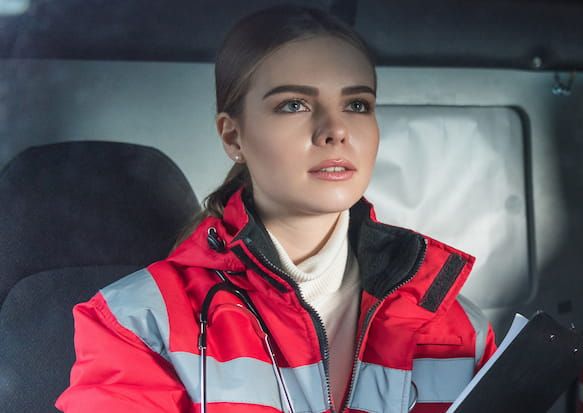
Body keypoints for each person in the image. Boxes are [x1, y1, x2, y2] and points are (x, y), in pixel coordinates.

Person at [56, 6, 496, 412]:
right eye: (294, 105)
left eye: (357, 104)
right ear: (233, 138)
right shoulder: (139, 322)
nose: (336, 130)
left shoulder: (459, 328)